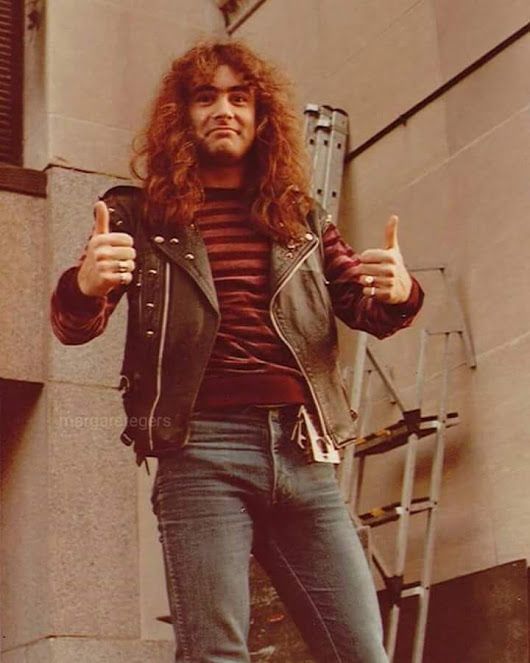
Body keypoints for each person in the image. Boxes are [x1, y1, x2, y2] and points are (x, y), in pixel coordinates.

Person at [51, 40, 423, 663]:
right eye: (206, 97)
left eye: (239, 97)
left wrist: (401, 293)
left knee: (363, 651)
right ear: (183, 116)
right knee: (215, 655)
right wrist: (86, 285)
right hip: (201, 451)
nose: (224, 109)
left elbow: (366, 311)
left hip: (305, 452)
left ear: (261, 115)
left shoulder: (301, 215)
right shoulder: (137, 215)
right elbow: (75, 325)